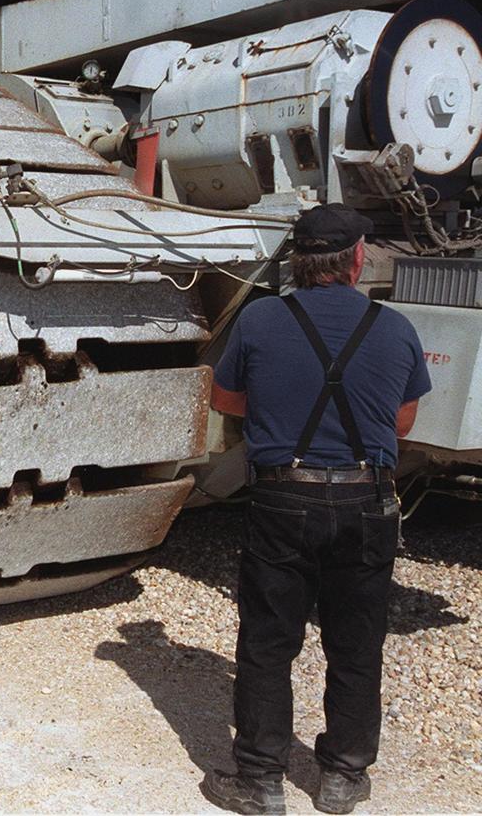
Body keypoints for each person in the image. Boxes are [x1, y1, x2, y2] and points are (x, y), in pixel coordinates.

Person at [201, 204, 431, 815]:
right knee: (356, 642)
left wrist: (281, 408)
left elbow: (225, 398)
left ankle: (261, 781)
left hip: (282, 497)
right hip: (366, 500)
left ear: (298, 262)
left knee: (268, 642)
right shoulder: (394, 327)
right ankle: (343, 777)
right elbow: (402, 422)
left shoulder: (259, 320)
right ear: (356, 259)